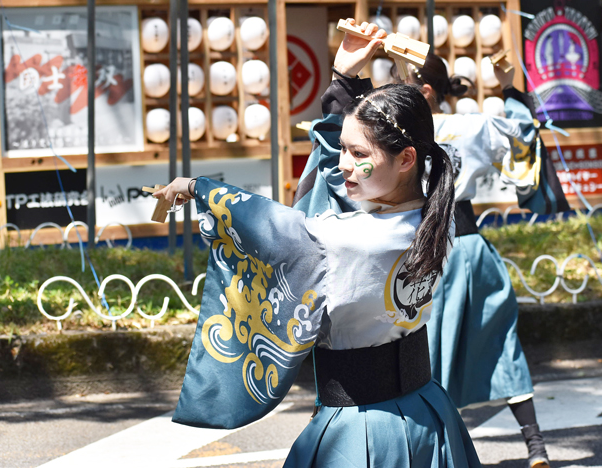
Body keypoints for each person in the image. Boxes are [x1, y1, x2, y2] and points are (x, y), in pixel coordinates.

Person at [155, 20, 481, 468]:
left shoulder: (350, 238)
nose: (345, 165)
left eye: (359, 155)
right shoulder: (431, 210)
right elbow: (343, 174)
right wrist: (346, 79)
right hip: (427, 411)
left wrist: (200, 189)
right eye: (345, 149)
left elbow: (276, 227)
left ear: (406, 159)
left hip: (362, 428)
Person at [294, 50, 569, 468]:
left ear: (421, 91)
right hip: (466, 246)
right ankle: (534, 445)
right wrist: (511, 87)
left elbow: (333, 172)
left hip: (409, 251)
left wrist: (344, 78)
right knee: (500, 345)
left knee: (411, 352)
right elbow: (521, 132)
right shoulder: (470, 126)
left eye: (394, 84)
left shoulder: (384, 137)